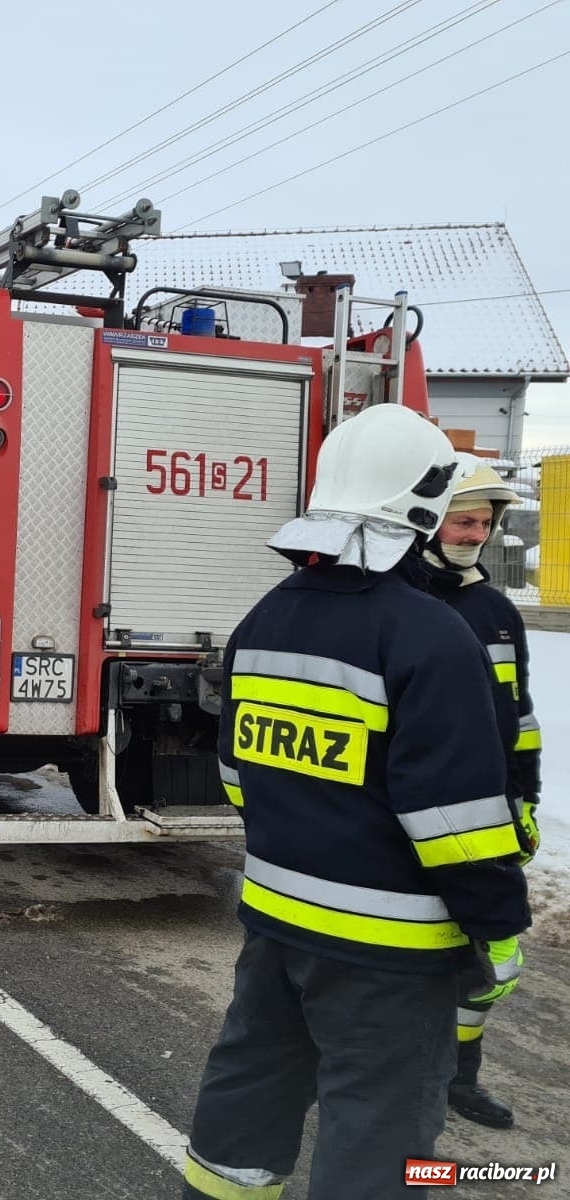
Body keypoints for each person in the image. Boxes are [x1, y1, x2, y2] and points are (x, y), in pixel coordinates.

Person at [183, 404, 531, 1200]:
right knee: (380, 1126)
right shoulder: (432, 636)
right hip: (391, 951)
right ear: (424, 504)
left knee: (250, 1084)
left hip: (275, 922)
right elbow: (459, 824)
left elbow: (239, 774)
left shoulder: (266, 617)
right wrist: (499, 927)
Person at [423, 456, 541, 1129]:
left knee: (493, 964)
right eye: (462, 520)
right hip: (421, 818)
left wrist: (525, 799)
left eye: (484, 524)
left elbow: (518, 715)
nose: (473, 534)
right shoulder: (400, 604)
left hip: (489, 813)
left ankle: (458, 1075)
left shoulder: (497, 611)